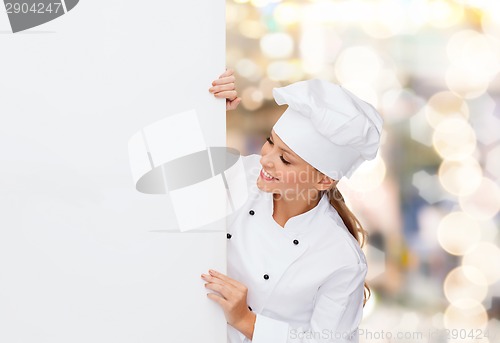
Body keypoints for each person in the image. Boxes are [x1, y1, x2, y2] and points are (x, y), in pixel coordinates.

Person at [201, 69, 383, 343]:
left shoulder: (341, 259)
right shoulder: (242, 176)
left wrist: (246, 320)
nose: (265, 160)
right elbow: (176, 184)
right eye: (270, 142)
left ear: (323, 179)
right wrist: (210, 110)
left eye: (285, 159)